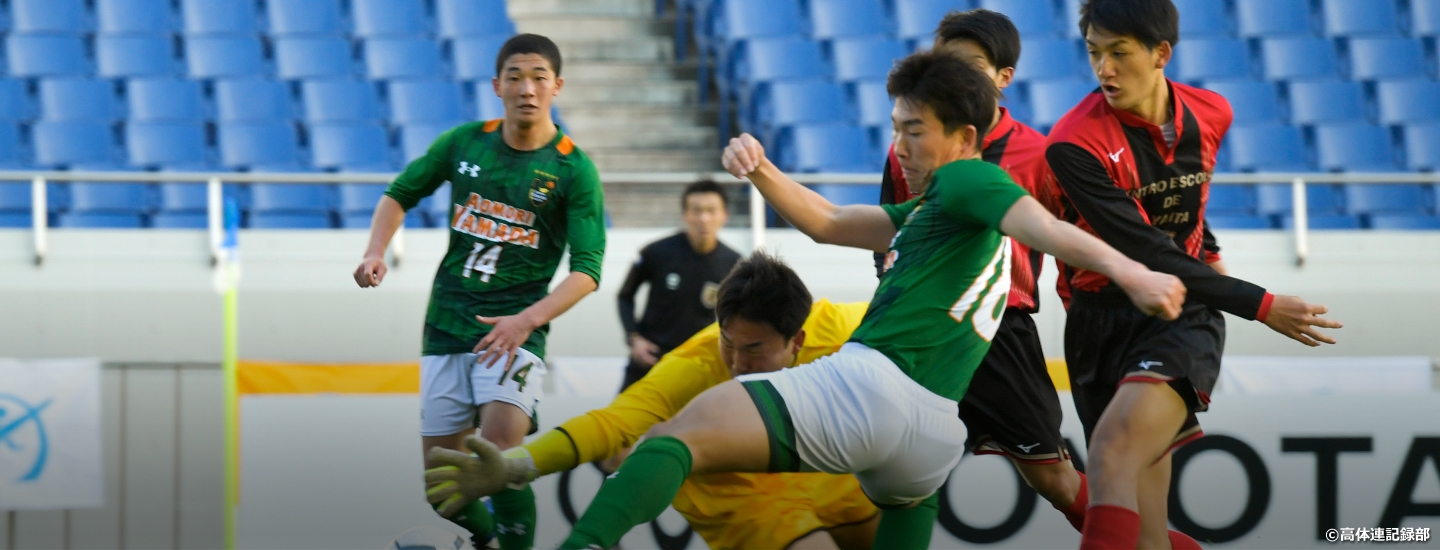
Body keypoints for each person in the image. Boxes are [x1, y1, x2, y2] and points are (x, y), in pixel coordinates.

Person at [425, 51, 1186, 550]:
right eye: (895, 130)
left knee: (674, 440)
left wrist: (1135, 274)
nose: (901, 148)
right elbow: (825, 224)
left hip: (877, 388)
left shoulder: (968, 178)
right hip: (927, 437)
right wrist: (761, 170)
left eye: (913, 131)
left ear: (964, 133)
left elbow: (1043, 226)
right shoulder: (933, 213)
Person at [1044, 1, 1343, 548]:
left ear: (1161, 54)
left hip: (1180, 314)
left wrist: (1214, 256)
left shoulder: (1213, 113)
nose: (1103, 69)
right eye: (1093, 53)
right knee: (1146, 530)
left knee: (1110, 454)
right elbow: (1146, 248)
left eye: (1118, 52)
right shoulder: (1072, 144)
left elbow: (1188, 210)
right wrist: (1261, 303)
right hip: (1097, 325)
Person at [436, 251, 880, 549]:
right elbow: (614, 423)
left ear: (797, 340)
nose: (737, 364)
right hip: (742, 495)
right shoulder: (694, 364)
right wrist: (520, 463)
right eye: (729, 343)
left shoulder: (849, 330)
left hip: (826, 471)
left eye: (755, 349)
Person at [352, 33, 606, 550]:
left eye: (539, 77)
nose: (527, 89)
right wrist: (374, 251)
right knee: (441, 486)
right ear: (497, 85)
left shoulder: (572, 171)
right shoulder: (464, 143)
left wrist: (527, 320)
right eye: (515, 77)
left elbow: (587, 271)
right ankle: (486, 540)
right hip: (447, 323)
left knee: (500, 449)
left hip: (514, 332)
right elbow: (400, 194)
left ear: (557, 86)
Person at [876, 8, 1091, 531]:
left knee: (1057, 482)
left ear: (1003, 77)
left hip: (996, 330)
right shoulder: (906, 148)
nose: (957, 76)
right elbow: (887, 237)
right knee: (883, 473)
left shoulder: (1041, 154)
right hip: (920, 327)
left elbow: (1073, 247)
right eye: (947, 64)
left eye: (971, 65)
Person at [616, 180, 741, 391]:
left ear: (724, 215)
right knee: (620, 423)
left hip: (700, 365)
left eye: (711, 211)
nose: (704, 218)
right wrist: (634, 338)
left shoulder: (735, 264)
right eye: (697, 210)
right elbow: (624, 296)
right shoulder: (656, 252)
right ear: (685, 215)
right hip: (651, 361)